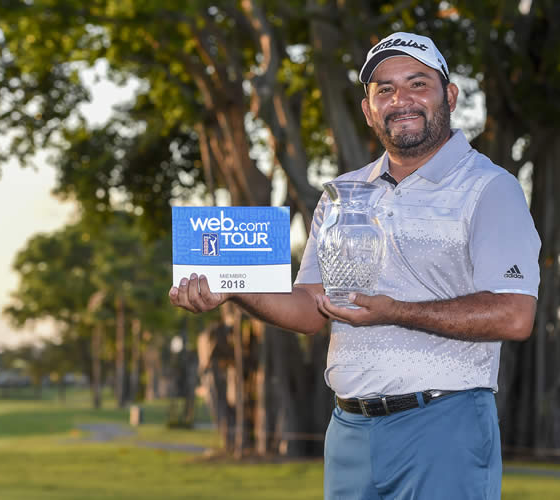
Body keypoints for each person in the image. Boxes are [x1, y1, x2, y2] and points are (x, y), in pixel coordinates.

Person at [170, 31, 540, 500]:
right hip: (349, 430)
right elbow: (309, 307)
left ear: (449, 95)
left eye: (417, 83)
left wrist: (394, 311)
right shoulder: (343, 193)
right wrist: (232, 287)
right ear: (368, 110)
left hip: (444, 423)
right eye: (384, 89)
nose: (401, 99)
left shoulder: (489, 188)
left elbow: (514, 314)